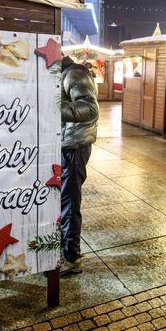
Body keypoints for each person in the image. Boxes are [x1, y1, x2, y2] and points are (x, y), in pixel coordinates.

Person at [60, 55, 99, 275]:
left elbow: (89, 110)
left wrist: (52, 104)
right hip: (68, 145)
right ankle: (65, 250)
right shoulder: (65, 73)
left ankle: (72, 257)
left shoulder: (74, 73)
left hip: (74, 147)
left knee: (69, 202)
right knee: (64, 200)